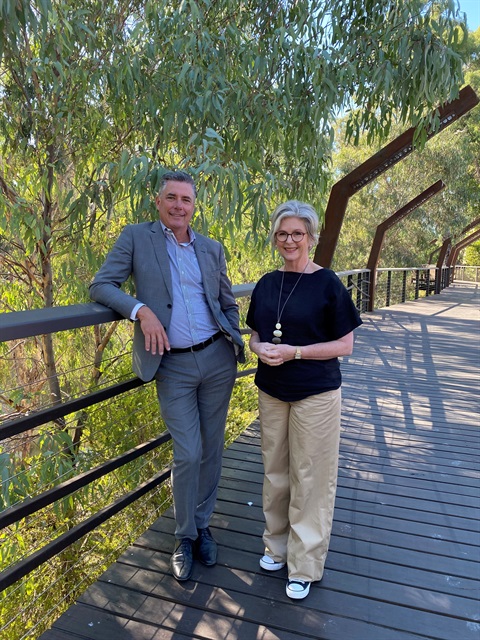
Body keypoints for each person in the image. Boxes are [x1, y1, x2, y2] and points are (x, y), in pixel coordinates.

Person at [90, 170, 244, 582]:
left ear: (195, 207)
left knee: (212, 449)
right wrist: (141, 311)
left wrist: (234, 337)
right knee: (188, 452)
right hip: (171, 364)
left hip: (216, 360)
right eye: (171, 198)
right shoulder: (136, 237)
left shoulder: (211, 248)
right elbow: (101, 285)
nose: (179, 206)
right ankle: (183, 535)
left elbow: (226, 302)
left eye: (186, 200)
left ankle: (203, 525)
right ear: (158, 202)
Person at [246, 200, 362, 600]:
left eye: (298, 233)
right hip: (271, 391)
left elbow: (345, 345)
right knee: (275, 471)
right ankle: (276, 547)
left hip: (316, 391)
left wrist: (294, 352)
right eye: (283, 233)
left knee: (310, 476)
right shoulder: (265, 284)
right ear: (275, 238)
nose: (290, 240)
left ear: (311, 237)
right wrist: (259, 348)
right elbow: (255, 335)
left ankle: (305, 563)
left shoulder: (328, 284)